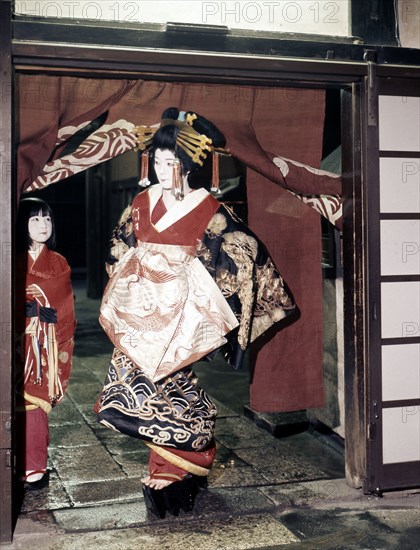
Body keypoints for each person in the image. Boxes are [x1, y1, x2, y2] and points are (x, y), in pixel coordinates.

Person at [94, 107, 296, 517]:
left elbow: (241, 246)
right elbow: (119, 244)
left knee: (169, 380)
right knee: (137, 382)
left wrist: (212, 292)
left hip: (181, 311)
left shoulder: (206, 208)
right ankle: (187, 455)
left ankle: (174, 467)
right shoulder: (140, 201)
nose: (165, 169)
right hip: (141, 307)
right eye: (159, 161)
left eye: (173, 162)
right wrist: (125, 275)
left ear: (187, 165)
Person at [15, 197, 76, 488]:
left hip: (44, 343)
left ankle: (35, 466)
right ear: (22, 223)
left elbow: (64, 308)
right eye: (35, 219)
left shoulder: (59, 261)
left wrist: (37, 305)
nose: (43, 225)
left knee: (36, 404)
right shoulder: (11, 258)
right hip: (15, 341)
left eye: (47, 219)